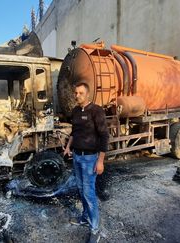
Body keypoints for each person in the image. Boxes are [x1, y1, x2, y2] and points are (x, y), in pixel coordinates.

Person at [64, 82, 109, 243]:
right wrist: (68, 147)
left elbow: (104, 136)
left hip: (90, 159)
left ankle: (95, 229)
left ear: (87, 94)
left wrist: (100, 161)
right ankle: (84, 217)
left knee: (89, 194)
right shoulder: (75, 111)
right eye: (76, 93)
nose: (77, 96)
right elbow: (74, 132)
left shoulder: (97, 111)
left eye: (81, 93)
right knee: (81, 190)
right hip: (76, 156)